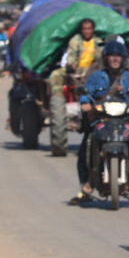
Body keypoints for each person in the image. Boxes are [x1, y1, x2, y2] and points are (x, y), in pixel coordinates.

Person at [70, 40, 129, 204]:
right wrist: (86, 102)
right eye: (111, 56)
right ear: (105, 57)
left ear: (124, 57)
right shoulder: (96, 72)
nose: (115, 59)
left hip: (127, 116)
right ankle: (89, 182)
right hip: (101, 116)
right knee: (88, 143)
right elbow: (85, 88)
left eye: (118, 56)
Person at [47, 18, 103, 156]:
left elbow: (102, 58)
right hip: (76, 71)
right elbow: (71, 56)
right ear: (81, 30)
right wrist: (72, 66)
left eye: (89, 29)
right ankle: (57, 97)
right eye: (84, 29)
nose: (87, 31)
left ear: (93, 30)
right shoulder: (75, 41)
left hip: (93, 71)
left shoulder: (99, 42)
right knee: (55, 75)